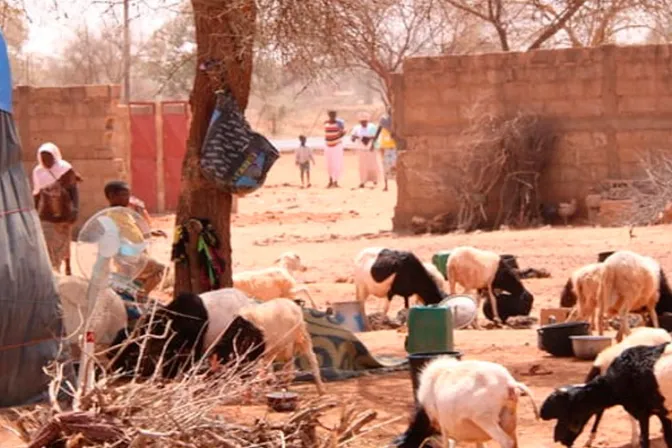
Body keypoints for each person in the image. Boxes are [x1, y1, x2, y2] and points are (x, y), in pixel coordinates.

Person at [103, 180, 167, 298]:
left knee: (140, 278)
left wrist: (150, 233)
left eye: (128, 194)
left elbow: (132, 232)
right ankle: (141, 297)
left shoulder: (125, 213)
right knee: (159, 268)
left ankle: (135, 297)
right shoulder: (111, 215)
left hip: (137, 254)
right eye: (123, 195)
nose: (127, 198)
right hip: (128, 256)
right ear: (111, 196)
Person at [32, 142, 81, 275]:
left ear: (55, 156)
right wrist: (34, 213)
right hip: (46, 213)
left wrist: (75, 210)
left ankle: (67, 265)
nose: (46, 161)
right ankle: (54, 268)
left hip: (64, 211)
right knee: (48, 241)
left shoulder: (65, 169)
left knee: (64, 241)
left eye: (48, 157)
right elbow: (36, 193)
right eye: (43, 158)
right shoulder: (38, 172)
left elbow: (73, 191)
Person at [350, 112, 379, 188]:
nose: (363, 123)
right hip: (361, 149)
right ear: (359, 122)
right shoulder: (356, 128)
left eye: (365, 121)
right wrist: (355, 137)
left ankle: (374, 180)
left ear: (367, 121)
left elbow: (375, 137)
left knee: (372, 165)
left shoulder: (372, 127)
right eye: (362, 121)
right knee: (362, 166)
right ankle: (362, 181)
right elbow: (352, 138)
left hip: (370, 149)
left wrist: (372, 144)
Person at [371, 111, 398, 191]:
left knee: (395, 167)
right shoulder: (383, 120)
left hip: (394, 146)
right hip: (385, 146)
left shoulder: (396, 121)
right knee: (385, 166)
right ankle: (386, 185)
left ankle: (397, 185)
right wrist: (373, 143)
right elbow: (378, 132)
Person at [323, 110, 345, 188]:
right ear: (328, 115)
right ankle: (330, 181)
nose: (332, 116)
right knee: (329, 165)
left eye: (334, 114)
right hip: (328, 146)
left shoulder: (339, 123)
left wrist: (338, 135)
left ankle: (335, 181)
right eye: (331, 114)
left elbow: (343, 132)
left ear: (335, 115)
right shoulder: (326, 123)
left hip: (336, 146)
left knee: (336, 164)